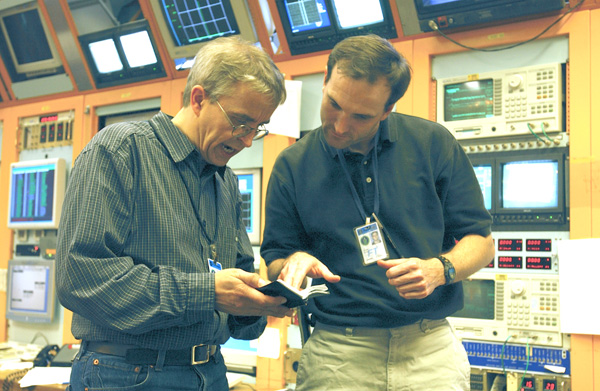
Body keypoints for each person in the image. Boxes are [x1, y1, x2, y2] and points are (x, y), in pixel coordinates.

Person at [261, 34, 495, 391]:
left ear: (388, 110)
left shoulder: (433, 143)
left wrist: (439, 270)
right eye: (333, 104)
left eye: (360, 116)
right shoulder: (292, 164)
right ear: (325, 81)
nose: (340, 125)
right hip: (337, 353)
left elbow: (481, 241)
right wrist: (294, 262)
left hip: (428, 349)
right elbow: (276, 257)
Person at [56, 37, 291, 391]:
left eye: (258, 128)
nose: (246, 141)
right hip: (127, 375)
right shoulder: (121, 150)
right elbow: (81, 278)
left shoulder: (226, 183)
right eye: (241, 122)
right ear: (198, 99)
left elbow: (236, 281)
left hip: (210, 371)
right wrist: (208, 292)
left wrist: (261, 301)